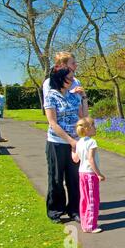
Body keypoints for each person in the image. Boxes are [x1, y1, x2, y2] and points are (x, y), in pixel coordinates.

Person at [44, 68, 83, 223]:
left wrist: (83, 97)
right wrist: (70, 140)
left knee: (74, 178)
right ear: (61, 79)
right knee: (56, 177)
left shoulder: (74, 96)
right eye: (70, 77)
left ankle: (74, 210)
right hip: (57, 142)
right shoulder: (51, 96)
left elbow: (83, 116)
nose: (73, 80)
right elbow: (53, 122)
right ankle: (55, 211)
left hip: (75, 143)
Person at [72, 117, 105, 233]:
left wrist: (72, 149)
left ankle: (86, 223)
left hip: (81, 173)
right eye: (93, 126)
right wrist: (99, 174)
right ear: (87, 129)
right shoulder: (92, 142)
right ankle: (91, 226)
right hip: (90, 175)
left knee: (84, 199)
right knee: (92, 200)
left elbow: (75, 159)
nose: (95, 128)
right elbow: (91, 160)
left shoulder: (79, 142)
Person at [43, 52, 89, 117]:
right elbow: (51, 110)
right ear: (63, 65)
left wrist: (84, 97)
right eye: (73, 63)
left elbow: (81, 112)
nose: (76, 65)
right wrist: (70, 93)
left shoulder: (76, 82)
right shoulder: (49, 83)